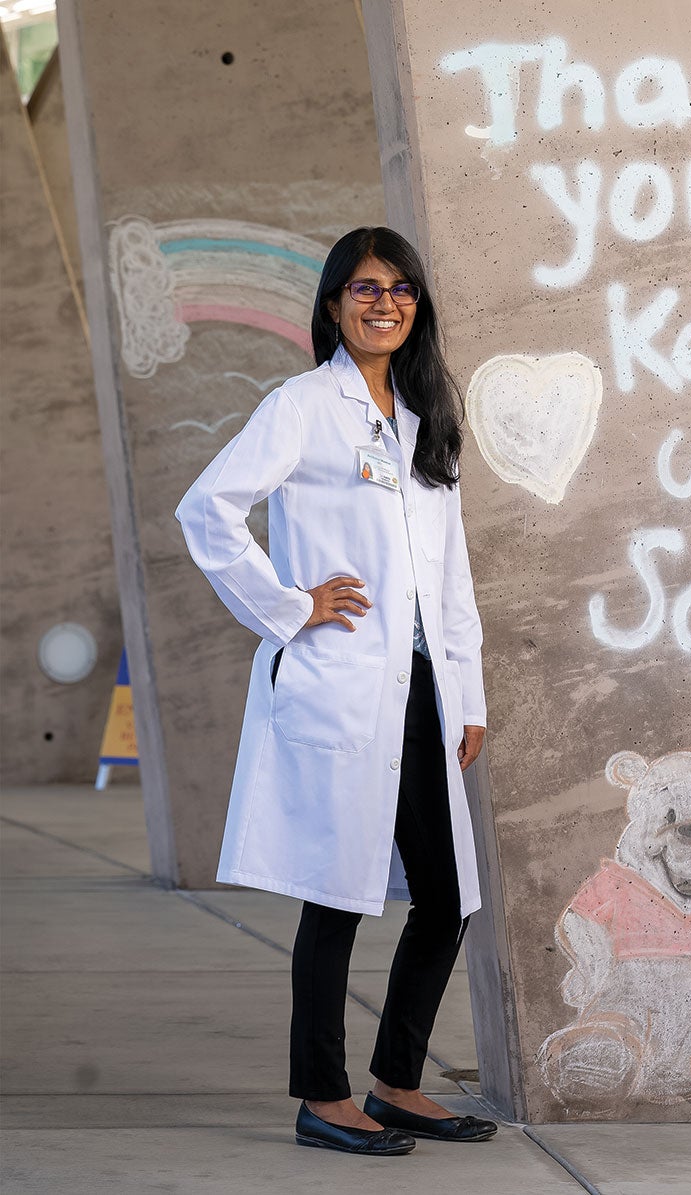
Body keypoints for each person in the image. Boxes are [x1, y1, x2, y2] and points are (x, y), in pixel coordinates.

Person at [176, 226, 496, 1157]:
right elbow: (209, 509)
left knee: (445, 896)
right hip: (345, 684)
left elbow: (453, 573)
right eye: (363, 288)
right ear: (332, 304)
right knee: (337, 893)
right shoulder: (302, 407)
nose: (383, 302)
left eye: (398, 289)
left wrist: (468, 693)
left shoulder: (423, 413)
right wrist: (288, 604)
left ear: (416, 306)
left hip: (425, 691)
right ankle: (323, 1094)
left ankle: (397, 1081)